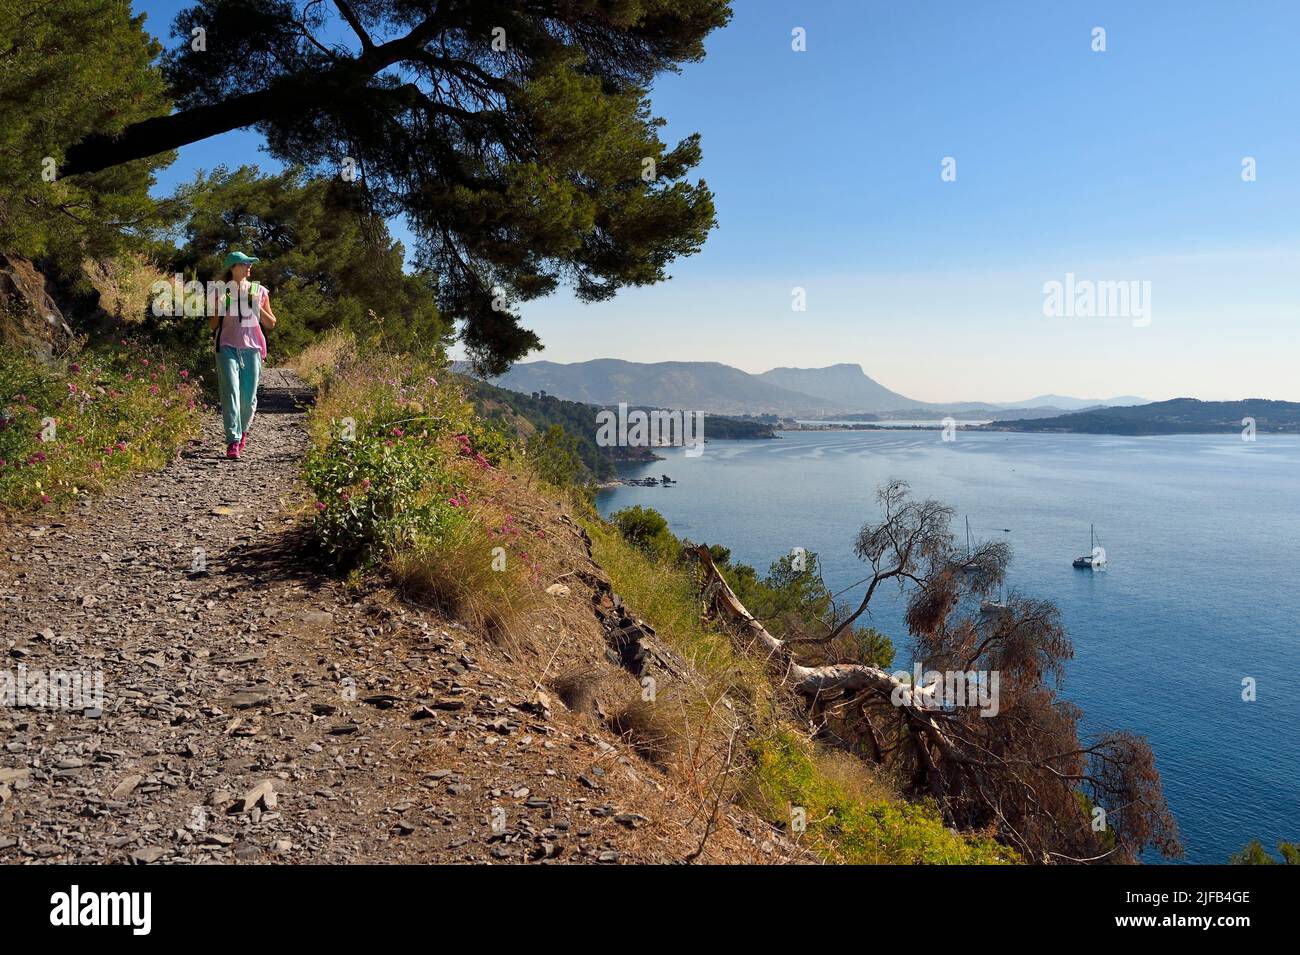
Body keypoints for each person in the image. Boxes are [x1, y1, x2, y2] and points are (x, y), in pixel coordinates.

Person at [210, 251, 277, 460]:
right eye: (244, 263)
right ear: (232, 267)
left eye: (250, 263)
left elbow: (271, 323)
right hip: (226, 345)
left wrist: (257, 307)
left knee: (248, 398)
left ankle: (243, 431)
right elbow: (212, 324)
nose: (249, 266)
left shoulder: (259, 290)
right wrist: (222, 306)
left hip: (252, 348)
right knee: (230, 391)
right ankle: (233, 440)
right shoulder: (219, 290)